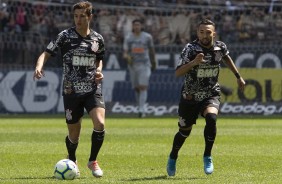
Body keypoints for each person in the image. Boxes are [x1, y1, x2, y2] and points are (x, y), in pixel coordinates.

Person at [33, 1, 106, 178]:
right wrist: (39, 66)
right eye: (75, 16)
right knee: (74, 135)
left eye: (82, 16)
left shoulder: (98, 39)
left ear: (90, 17)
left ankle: (93, 161)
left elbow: (99, 58)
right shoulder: (65, 36)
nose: (78, 19)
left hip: (92, 89)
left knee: (100, 123)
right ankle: (72, 159)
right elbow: (46, 53)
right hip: (71, 91)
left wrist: (98, 70)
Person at [166, 19, 245, 176]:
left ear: (213, 33)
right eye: (202, 32)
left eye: (208, 32)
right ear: (197, 33)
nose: (205, 35)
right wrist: (194, 63)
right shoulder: (191, 49)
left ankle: (207, 155)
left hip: (211, 93)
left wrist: (238, 76)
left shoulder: (220, 47)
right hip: (190, 96)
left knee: (211, 118)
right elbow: (178, 72)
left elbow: (226, 57)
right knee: (184, 131)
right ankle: (173, 157)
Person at [123, 19, 156, 118]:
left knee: (143, 86)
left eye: (138, 25)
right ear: (132, 27)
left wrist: (154, 62)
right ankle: (140, 107)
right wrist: (126, 57)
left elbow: (151, 50)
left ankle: (142, 110)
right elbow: (125, 52)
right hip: (133, 65)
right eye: (135, 25)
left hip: (145, 64)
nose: (136, 27)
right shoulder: (128, 37)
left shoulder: (147, 37)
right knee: (137, 89)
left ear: (141, 26)